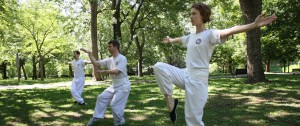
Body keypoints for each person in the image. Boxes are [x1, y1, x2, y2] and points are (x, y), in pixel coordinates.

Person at [153, 2, 277, 126]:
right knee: (159, 67)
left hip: (198, 80)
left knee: (192, 121)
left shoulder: (210, 34)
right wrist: (170, 40)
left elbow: (231, 30)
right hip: (185, 73)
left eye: (194, 14)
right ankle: (170, 101)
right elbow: (180, 40)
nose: (190, 16)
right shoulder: (190, 37)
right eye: (190, 14)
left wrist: (254, 24)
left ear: (203, 16)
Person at [81, 40, 131, 126]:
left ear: (115, 47)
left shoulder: (122, 58)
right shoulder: (109, 59)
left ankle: (119, 121)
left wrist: (106, 71)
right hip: (114, 85)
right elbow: (96, 63)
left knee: (114, 104)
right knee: (101, 97)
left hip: (123, 85)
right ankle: (96, 117)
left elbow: (117, 71)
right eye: (108, 46)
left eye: (110, 46)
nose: (108, 48)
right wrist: (89, 53)